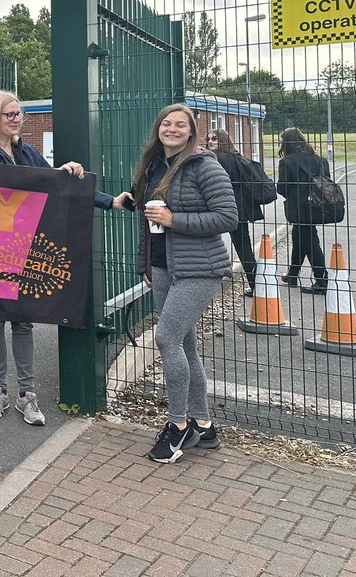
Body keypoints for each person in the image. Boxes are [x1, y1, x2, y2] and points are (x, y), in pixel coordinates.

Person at [0, 90, 130, 427]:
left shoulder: (25, 151)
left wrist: (108, 200)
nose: (16, 119)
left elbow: (59, 186)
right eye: (9, 114)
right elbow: (3, 181)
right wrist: (52, 174)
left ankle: (27, 395)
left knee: (23, 318)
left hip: (25, 242)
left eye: (18, 114)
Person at [130, 103, 237, 462]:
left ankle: (178, 426)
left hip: (199, 269)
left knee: (166, 337)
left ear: (191, 131)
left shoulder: (205, 166)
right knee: (185, 346)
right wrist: (144, 262)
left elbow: (227, 218)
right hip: (162, 268)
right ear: (158, 128)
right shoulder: (153, 165)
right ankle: (204, 426)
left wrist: (176, 219)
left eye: (180, 125)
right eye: (166, 123)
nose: (172, 129)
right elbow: (147, 220)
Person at [206, 129, 261, 297]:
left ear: (222, 140)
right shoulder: (237, 157)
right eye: (208, 138)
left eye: (214, 138)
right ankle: (258, 285)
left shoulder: (220, 161)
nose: (209, 141)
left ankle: (257, 285)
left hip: (223, 209)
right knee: (245, 248)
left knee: (237, 248)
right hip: (240, 210)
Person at [277, 127, 331, 294]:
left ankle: (322, 279)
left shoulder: (287, 162)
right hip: (316, 206)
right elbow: (327, 181)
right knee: (299, 236)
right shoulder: (320, 160)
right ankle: (293, 274)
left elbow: (282, 188)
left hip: (299, 208)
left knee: (310, 242)